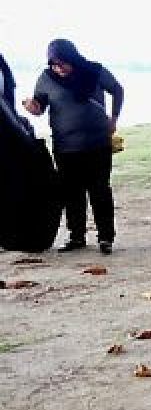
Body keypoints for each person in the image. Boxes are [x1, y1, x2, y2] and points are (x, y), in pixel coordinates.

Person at [22, 40, 123, 253]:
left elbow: (117, 89)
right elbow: (40, 107)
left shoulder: (94, 71)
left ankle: (106, 237)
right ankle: (77, 237)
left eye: (62, 64)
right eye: (54, 65)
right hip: (66, 147)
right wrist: (32, 108)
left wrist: (114, 118)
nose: (58, 69)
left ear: (72, 58)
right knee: (72, 193)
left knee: (100, 191)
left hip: (97, 144)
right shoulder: (46, 78)